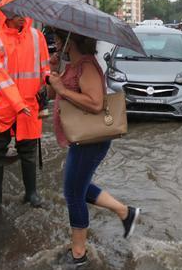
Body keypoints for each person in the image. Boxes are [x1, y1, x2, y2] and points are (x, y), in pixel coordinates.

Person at [47, 29, 140, 267]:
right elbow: (52, 94)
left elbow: (97, 104)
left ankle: (79, 253)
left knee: (73, 193)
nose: (55, 41)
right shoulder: (71, 64)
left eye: (58, 37)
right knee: (77, 186)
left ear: (71, 41)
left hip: (91, 139)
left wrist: (63, 90)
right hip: (80, 138)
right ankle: (124, 212)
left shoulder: (86, 66)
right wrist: (52, 72)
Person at [0, 0, 50, 215]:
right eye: (18, 12)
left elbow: (44, 67)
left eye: (24, 11)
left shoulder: (36, 36)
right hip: (2, 106)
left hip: (29, 105)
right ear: (7, 14)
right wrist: (18, 103)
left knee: (29, 150)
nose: (23, 16)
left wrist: (48, 83)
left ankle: (31, 193)